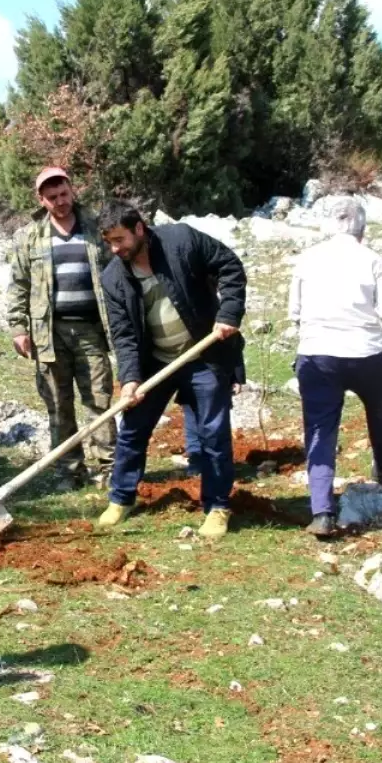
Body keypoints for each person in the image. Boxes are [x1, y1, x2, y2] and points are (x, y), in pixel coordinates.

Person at [95, 201, 246, 538]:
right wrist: (131, 379)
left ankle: (218, 506)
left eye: (119, 239)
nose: (115, 248)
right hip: (155, 362)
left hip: (204, 354)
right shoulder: (113, 277)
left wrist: (229, 314)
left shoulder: (182, 240)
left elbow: (230, 266)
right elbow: (123, 334)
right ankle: (121, 498)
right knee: (132, 429)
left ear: (139, 228)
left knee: (212, 433)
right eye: (109, 242)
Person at [290, 198, 382, 538]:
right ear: (363, 228)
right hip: (364, 354)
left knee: (319, 429)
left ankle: (322, 511)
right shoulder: (370, 258)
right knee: (381, 407)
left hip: (316, 355)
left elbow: (295, 311)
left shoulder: (306, 258)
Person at [7, 167, 114, 487]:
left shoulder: (96, 228)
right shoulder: (28, 236)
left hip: (92, 331)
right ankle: (69, 471)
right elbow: (18, 284)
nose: (60, 201)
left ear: (72, 189)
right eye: (52, 197)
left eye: (64, 193)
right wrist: (18, 328)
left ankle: (111, 468)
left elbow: (118, 272)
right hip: (48, 335)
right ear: (41, 199)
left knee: (100, 400)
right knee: (58, 405)